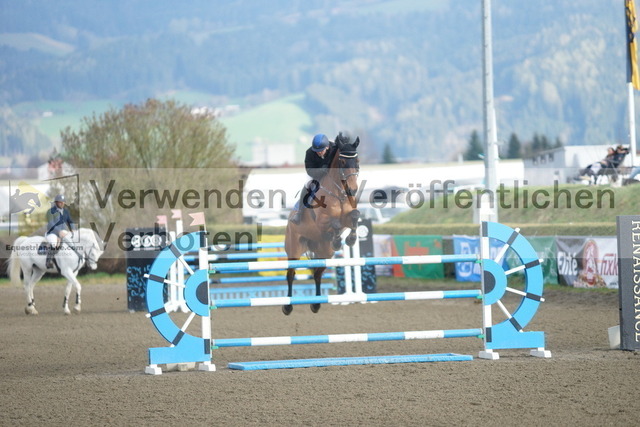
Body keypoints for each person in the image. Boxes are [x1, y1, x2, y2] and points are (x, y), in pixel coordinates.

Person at [290, 134, 337, 224]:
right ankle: (299, 213)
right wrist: (323, 171)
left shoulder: (335, 149)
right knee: (307, 185)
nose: (319, 153)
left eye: (321, 150)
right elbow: (310, 170)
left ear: (327, 147)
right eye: (317, 151)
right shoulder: (309, 152)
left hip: (332, 175)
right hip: (316, 175)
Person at [45, 194, 76, 268]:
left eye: (63, 202)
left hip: (63, 232)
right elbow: (51, 224)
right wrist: (59, 231)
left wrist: (73, 229)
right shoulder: (50, 211)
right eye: (60, 202)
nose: (62, 203)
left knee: (72, 241)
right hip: (52, 233)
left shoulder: (66, 211)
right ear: (56, 202)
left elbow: (70, 221)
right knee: (54, 243)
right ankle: (49, 261)